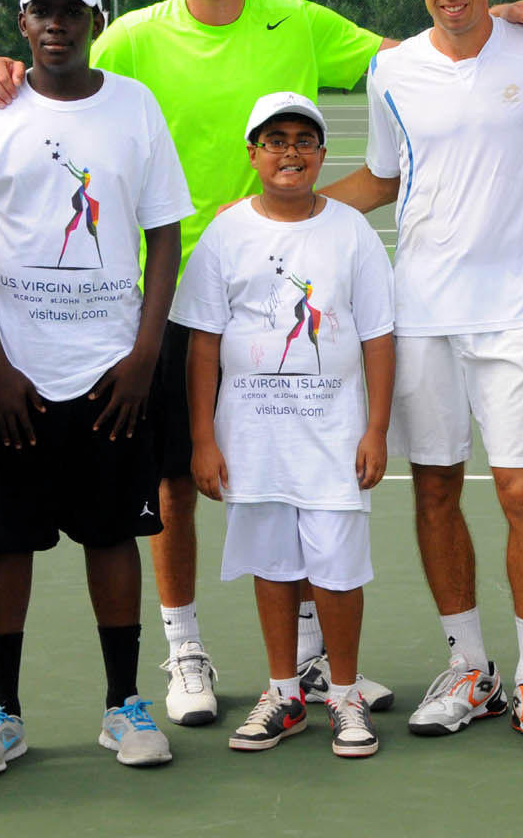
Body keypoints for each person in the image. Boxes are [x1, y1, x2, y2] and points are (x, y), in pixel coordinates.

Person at [0, 0, 523, 727]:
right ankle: (184, 650)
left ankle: (312, 665)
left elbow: (419, 50)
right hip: (164, 297)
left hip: (292, 288)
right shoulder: (130, 36)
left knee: (299, 466)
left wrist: (498, 18)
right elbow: (53, 76)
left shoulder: (300, 22)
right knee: (174, 481)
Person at [320, 0, 523, 759]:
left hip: (515, 313)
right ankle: (470, 669)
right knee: (435, 491)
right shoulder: (392, 73)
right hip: (419, 316)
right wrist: (289, 207)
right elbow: (383, 179)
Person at [0, 0, 195, 772]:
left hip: (112, 373)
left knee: (112, 535)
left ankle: (123, 704)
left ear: (94, 18)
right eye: (41, 12)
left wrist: (145, 353)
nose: (56, 24)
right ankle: (0, 711)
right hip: (15, 375)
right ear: (23, 25)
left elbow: (164, 233)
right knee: (2, 543)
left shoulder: (135, 106)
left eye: (71, 10)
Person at [172, 92, 395, 757]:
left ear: (322, 154)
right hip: (253, 438)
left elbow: (380, 337)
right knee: (272, 565)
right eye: (275, 141)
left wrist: (376, 429)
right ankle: (285, 693)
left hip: (333, 436)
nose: (290, 152)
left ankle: (346, 697)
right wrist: (204, 438)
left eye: (304, 139)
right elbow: (204, 343)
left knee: (336, 568)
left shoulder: (351, 230)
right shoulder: (226, 233)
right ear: (254, 154)